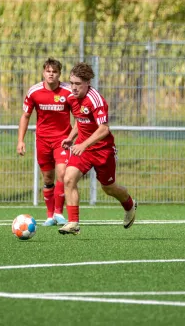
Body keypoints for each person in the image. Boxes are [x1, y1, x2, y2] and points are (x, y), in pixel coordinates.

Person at [58, 62, 137, 235]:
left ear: (87, 83)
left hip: (103, 150)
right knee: (69, 178)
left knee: (108, 188)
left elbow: (104, 129)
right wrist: (71, 138)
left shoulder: (96, 100)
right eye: (71, 83)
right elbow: (80, 119)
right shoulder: (71, 97)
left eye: (78, 84)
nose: (73, 87)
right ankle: (73, 222)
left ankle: (130, 205)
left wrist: (83, 144)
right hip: (83, 150)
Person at [17, 58, 71, 226]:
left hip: (62, 140)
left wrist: (74, 137)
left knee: (62, 173)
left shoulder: (68, 92)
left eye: (54, 72)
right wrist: (21, 140)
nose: (51, 74)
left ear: (59, 74)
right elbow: (25, 116)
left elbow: (79, 115)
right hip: (42, 141)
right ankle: (49, 216)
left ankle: (58, 213)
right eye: (48, 71)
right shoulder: (34, 92)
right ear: (43, 73)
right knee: (48, 179)